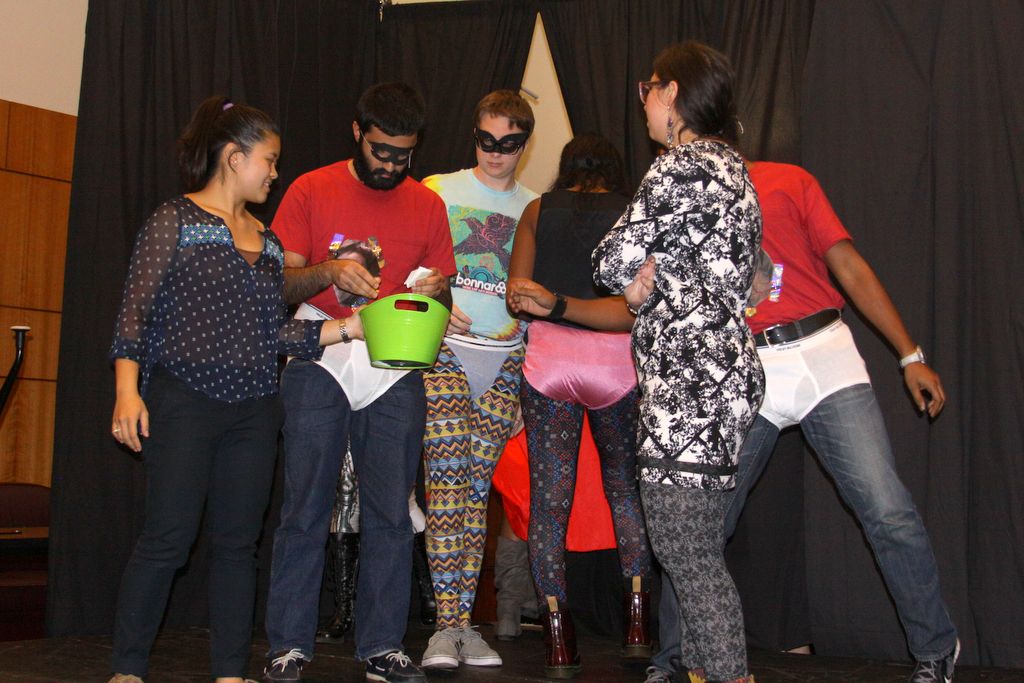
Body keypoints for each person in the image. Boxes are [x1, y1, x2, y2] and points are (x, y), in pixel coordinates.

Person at [645, 160, 958, 683]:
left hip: (821, 354)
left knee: (888, 510)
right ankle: (674, 658)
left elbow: (848, 265)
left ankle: (936, 648)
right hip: (743, 366)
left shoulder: (787, 180)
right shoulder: (673, 193)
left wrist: (909, 354)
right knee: (698, 524)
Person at [107, 95, 359, 683]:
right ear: (234, 157)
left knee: (238, 546)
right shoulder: (175, 220)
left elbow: (273, 333)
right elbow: (135, 313)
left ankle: (228, 671)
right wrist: (127, 391)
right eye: (269, 160)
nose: (275, 172)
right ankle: (127, 668)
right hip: (184, 401)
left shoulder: (267, 242)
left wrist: (349, 328)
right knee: (168, 539)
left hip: (254, 410)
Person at [262, 82, 456, 683]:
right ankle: (288, 645)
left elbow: (444, 296)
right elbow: (278, 283)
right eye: (380, 151)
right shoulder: (310, 188)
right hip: (320, 348)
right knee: (305, 505)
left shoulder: (427, 205)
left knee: (391, 511)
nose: (391, 165)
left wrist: (436, 291)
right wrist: (330, 271)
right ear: (357, 132)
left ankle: (382, 646)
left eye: (403, 155)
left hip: (394, 357)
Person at [593, 42, 764, 683]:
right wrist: (648, 276)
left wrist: (637, 278)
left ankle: (727, 676)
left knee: (687, 554)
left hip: (689, 383)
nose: (643, 103)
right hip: (727, 375)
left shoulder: (678, 167)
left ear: (671, 93)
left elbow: (609, 259)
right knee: (699, 551)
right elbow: (750, 277)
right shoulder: (736, 171)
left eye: (649, 90)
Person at [505, 133, 655, 678]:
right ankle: (637, 623)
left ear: (564, 167)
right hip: (616, 364)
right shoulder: (634, 213)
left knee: (550, 501)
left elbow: (517, 295)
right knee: (625, 490)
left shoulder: (537, 210)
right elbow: (643, 305)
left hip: (550, 364)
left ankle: (558, 641)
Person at [416, 89, 538, 671]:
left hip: (506, 358)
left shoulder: (535, 206)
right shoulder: (437, 190)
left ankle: (463, 625)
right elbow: (407, 264)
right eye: (486, 140)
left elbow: (539, 301)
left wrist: (527, 385)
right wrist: (435, 303)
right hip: (445, 351)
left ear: (524, 144)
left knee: (475, 495)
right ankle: (445, 628)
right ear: (474, 136)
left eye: (508, 143)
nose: (495, 152)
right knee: (446, 485)